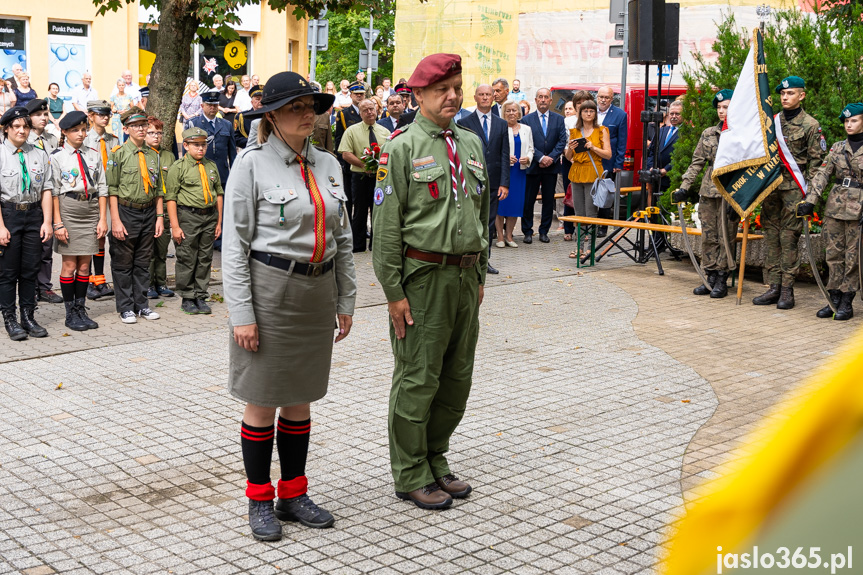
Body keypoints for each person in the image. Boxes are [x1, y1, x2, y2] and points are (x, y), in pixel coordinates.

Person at [222, 71, 356, 541]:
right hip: (269, 291)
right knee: (261, 403)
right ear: (272, 116)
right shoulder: (251, 164)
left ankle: (293, 493)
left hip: (316, 294)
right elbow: (234, 246)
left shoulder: (329, 164)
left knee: (300, 400)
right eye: (296, 107)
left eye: (311, 105)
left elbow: (343, 237)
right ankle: (259, 499)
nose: (308, 114)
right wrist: (242, 314)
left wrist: (346, 299)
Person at [372, 53, 488, 511]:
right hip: (422, 281)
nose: (453, 96)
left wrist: (479, 272)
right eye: (442, 89)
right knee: (418, 378)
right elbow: (385, 230)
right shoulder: (400, 148)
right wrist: (394, 293)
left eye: (457, 87)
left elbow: (481, 215)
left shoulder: (471, 145)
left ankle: (435, 458)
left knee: (456, 379)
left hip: (464, 278)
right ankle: (410, 472)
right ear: (417, 95)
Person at [753, 76, 826, 309]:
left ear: (801, 95)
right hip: (772, 186)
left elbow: (817, 164)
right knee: (771, 237)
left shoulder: (811, 125)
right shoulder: (771, 121)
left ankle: (787, 290)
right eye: (783, 94)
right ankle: (773, 287)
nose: (785, 97)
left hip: (795, 188)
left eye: (790, 93)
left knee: (789, 238)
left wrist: (811, 197)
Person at [796, 102, 863, 320]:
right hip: (835, 207)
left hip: (858, 211)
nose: (849, 125)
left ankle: (847, 299)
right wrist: (810, 201)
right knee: (833, 254)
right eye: (846, 121)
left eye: (854, 120)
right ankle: (833, 297)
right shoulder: (836, 147)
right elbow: (823, 175)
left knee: (852, 257)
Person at [672, 89, 740, 298]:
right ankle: (709, 275)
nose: (721, 111)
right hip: (709, 190)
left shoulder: (741, 134)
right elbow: (697, 162)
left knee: (725, 236)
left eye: (726, 107)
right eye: (719, 107)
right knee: (709, 236)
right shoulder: (709, 133)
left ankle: (722, 277)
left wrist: (741, 199)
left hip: (731, 189)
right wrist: (684, 186)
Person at [50, 111, 107, 331]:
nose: (81, 134)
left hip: (90, 210)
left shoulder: (93, 154)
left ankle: (81, 308)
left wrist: (102, 219)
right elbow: (54, 191)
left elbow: (102, 188)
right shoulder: (57, 157)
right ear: (64, 132)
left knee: (85, 266)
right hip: (69, 210)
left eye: (83, 129)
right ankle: (69, 311)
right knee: (70, 265)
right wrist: (58, 223)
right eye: (75, 130)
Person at [106, 107, 164, 324]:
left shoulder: (153, 155)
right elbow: (111, 189)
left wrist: (159, 217)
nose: (141, 129)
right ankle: (125, 307)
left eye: (143, 125)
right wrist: (116, 221)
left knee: (142, 261)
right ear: (126, 129)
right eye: (135, 126)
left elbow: (159, 189)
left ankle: (142, 305)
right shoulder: (118, 154)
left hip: (148, 211)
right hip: (126, 211)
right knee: (123, 261)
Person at [0, 106, 54, 340]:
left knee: (30, 270)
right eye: (17, 127)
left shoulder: (38, 153)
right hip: (9, 215)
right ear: (6, 129)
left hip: (33, 215)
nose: (22, 131)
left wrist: (48, 222)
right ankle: (10, 319)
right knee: (9, 272)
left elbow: (47, 189)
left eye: (26, 127)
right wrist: (0, 226)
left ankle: (28, 316)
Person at [165, 127, 222, 314]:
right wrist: (175, 226)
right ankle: (188, 297)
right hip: (188, 216)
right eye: (196, 145)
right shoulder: (178, 167)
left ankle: (200, 294)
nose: (201, 148)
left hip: (209, 216)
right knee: (187, 257)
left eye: (203, 144)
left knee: (205, 257)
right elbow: (171, 198)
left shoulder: (211, 166)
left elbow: (219, 194)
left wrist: (219, 222)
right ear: (186, 146)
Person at [458, 84, 510, 275]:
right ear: (475, 97)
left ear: (493, 97)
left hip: (494, 181)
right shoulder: (464, 122)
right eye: (482, 94)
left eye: (489, 94)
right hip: (471, 180)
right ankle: (468, 258)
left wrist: (505, 183)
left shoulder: (501, 124)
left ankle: (484, 261)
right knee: (470, 220)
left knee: (488, 222)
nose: (486, 97)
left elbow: (505, 154)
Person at [338, 98, 391, 252]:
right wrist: (363, 165)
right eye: (365, 110)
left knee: (378, 212)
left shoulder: (384, 132)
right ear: (360, 113)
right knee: (360, 212)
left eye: (371, 109)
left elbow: (389, 153)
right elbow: (346, 154)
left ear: (376, 110)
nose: (369, 112)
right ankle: (358, 245)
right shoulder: (351, 131)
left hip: (379, 179)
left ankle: (376, 245)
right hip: (359, 177)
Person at [25, 99, 62, 304]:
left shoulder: (51, 139)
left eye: (45, 114)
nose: (43, 118)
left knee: (46, 244)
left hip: (49, 196)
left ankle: (45, 286)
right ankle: (29, 288)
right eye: (38, 114)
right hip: (29, 197)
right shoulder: (23, 138)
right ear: (29, 118)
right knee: (29, 247)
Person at [564, 100, 611, 257]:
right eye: (585, 111)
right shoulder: (574, 131)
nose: (589, 114)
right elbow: (568, 156)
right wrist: (570, 149)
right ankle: (579, 247)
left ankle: (590, 247)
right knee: (579, 212)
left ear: (595, 113)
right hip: (577, 172)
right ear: (580, 113)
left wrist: (593, 147)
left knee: (591, 213)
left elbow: (608, 154)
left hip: (593, 172)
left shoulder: (602, 130)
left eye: (592, 111)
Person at [520, 88, 567, 244]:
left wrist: (551, 158)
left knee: (548, 200)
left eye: (546, 97)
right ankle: (527, 231)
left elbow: (562, 142)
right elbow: (527, 142)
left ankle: (544, 231)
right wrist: (540, 157)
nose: (543, 100)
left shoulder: (559, 120)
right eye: (540, 97)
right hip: (533, 165)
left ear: (550, 100)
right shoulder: (527, 120)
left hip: (551, 167)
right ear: (535, 100)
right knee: (528, 200)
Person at [83, 100, 119, 300]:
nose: (105, 118)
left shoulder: (113, 140)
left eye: (107, 114)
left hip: (109, 194)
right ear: (90, 115)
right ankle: (86, 280)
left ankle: (99, 280)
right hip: (91, 195)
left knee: (101, 238)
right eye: (100, 114)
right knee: (89, 237)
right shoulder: (84, 140)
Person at [144, 116, 176, 300]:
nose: (156, 136)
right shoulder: (142, 154)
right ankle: (148, 285)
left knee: (162, 248)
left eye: (159, 133)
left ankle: (161, 282)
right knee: (148, 250)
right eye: (151, 133)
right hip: (148, 208)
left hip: (165, 207)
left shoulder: (168, 155)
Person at [497, 101, 533, 247]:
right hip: (503, 172)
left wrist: (528, 158)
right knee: (500, 204)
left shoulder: (526, 129)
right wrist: (505, 158)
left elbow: (531, 148)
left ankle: (509, 236)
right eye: (508, 110)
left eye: (514, 110)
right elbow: (495, 149)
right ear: (504, 113)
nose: (511, 113)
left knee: (515, 204)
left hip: (519, 171)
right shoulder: (499, 127)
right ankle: (499, 236)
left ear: (519, 113)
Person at [595, 86, 628, 236]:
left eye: (606, 97)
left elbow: (622, 141)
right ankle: (590, 223)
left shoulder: (620, 115)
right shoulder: (590, 112)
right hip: (591, 160)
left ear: (611, 99)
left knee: (605, 193)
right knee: (591, 193)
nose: (603, 100)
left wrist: (618, 163)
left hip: (608, 161)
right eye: (601, 97)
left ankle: (603, 226)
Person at [561, 93, 594, 240]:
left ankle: (585, 231)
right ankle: (568, 229)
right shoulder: (568, 121)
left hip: (588, 165)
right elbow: (563, 142)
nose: (581, 105)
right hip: (571, 163)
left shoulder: (595, 121)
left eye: (585, 102)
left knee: (587, 199)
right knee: (570, 196)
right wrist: (571, 156)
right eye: (578, 103)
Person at [191, 91, 237, 187]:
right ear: (202, 106)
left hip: (222, 174)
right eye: (209, 105)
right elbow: (186, 153)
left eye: (215, 105)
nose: (212, 107)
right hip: (200, 173)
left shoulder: (226, 125)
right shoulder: (194, 124)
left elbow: (232, 153)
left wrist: (234, 174)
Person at [334, 81, 365, 218]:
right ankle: (348, 227)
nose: (359, 97)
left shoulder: (369, 112)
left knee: (361, 200)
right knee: (348, 198)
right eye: (356, 94)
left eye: (361, 94)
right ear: (351, 95)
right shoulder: (344, 114)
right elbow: (339, 139)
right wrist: (341, 161)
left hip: (365, 162)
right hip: (349, 162)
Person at [234, 85, 263, 149]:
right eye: (257, 99)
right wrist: (254, 142)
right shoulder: (242, 117)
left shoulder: (271, 115)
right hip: (248, 149)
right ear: (252, 102)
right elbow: (236, 138)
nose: (260, 101)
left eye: (262, 99)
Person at [110, 79, 135, 144]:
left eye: (122, 85)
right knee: (116, 135)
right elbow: (111, 108)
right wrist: (117, 111)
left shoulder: (129, 96)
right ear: (117, 86)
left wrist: (126, 111)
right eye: (120, 85)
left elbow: (133, 108)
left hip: (126, 118)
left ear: (125, 86)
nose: (121, 86)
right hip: (117, 119)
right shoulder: (114, 97)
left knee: (126, 134)